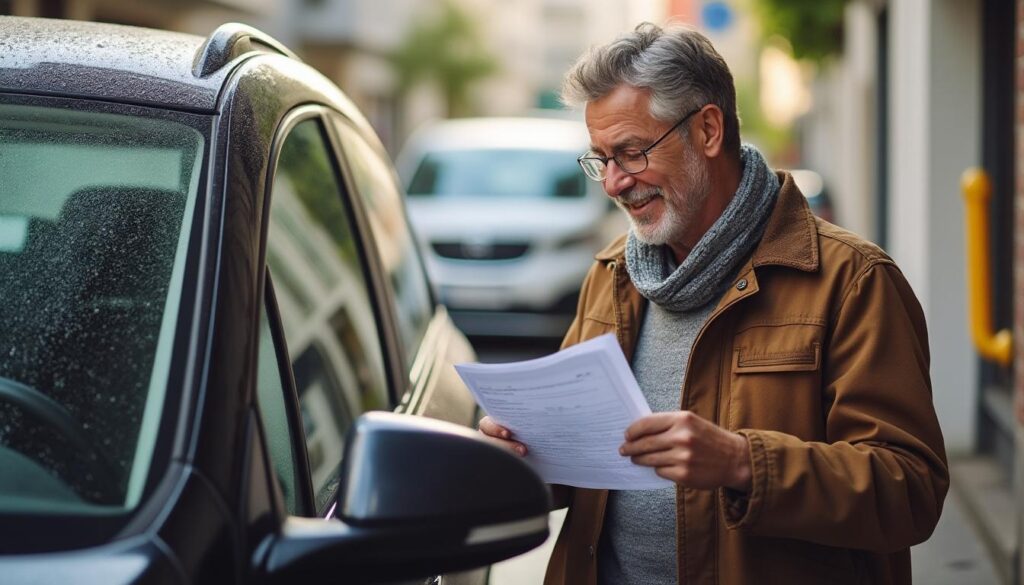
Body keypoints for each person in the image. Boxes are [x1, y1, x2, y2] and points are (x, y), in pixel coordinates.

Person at [478, 22, 948, 585]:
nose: (613, 183)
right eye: (600, 158)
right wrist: (526, 457)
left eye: (630, 152)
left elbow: (910, 489)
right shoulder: (611, 274)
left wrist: (742, 463)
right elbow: (582, 469)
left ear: (706, 129)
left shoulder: (851, 279)